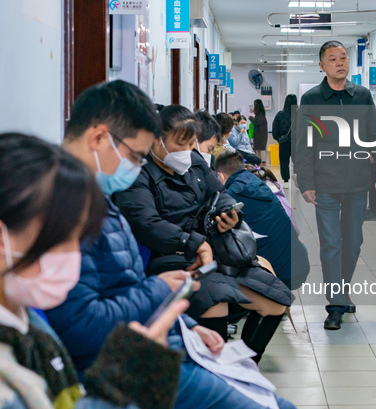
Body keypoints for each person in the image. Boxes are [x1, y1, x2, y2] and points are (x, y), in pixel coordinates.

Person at [45, 81, 295, 409]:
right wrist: (161, 288)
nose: (136, 166)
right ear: (99, 138)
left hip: (160, 340)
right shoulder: (65, 214)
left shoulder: (100, 202)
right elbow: (83, 325)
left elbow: (128, 286)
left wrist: (188, 330)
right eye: (135, 156)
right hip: (130, 360)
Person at [0, 132, 187, 409]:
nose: (71, 257)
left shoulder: (27, 322)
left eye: (76, 240)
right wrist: (131, 376)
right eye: (58, 239)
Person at [115, 105, 291, 363]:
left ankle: (244, 364)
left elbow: (219, 195)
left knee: (276, 301)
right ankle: (216, 370)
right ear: (156, 140)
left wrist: (229, 214)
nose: (186, 151)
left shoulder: (195, 164)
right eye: (179, 143)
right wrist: (194, 243)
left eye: (190, 143)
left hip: (217, 252)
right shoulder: (138, 175)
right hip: (174, 257)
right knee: (215, 299)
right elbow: (147, 224)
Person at [293, 40, 376, 330]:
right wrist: (306, 182)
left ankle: (342, 289)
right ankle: (335, 304)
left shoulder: (361, 96)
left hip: (358, 182)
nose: (340, 63)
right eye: (333, 59)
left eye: (344, 57)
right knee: (331, 244)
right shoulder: (311, 98)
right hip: (324, 183)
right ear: (322, 66)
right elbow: (303, 145)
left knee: (353, 243)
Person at [216, 152, 310, 290]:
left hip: (274, 276)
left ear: (220, 176)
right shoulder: (261, 185)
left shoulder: (231, 196)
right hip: (298, 267)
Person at [272, 94, 297, 189]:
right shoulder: (300, 114)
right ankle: (297, 176)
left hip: (284, 142)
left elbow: (275, 130)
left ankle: (286, 181)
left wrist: (278, 138)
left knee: (284, 162)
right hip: (296, 142)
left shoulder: (280, 114)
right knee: (297, 161)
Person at [249, 99, 268, 164]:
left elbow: (257, 122)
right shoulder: (261, 115)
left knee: (261, 149)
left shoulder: (260, 115)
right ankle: (259, 162)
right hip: (259, 135)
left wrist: (251, 118)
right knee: (258, 149)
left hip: (260, 135)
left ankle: (262, 162)